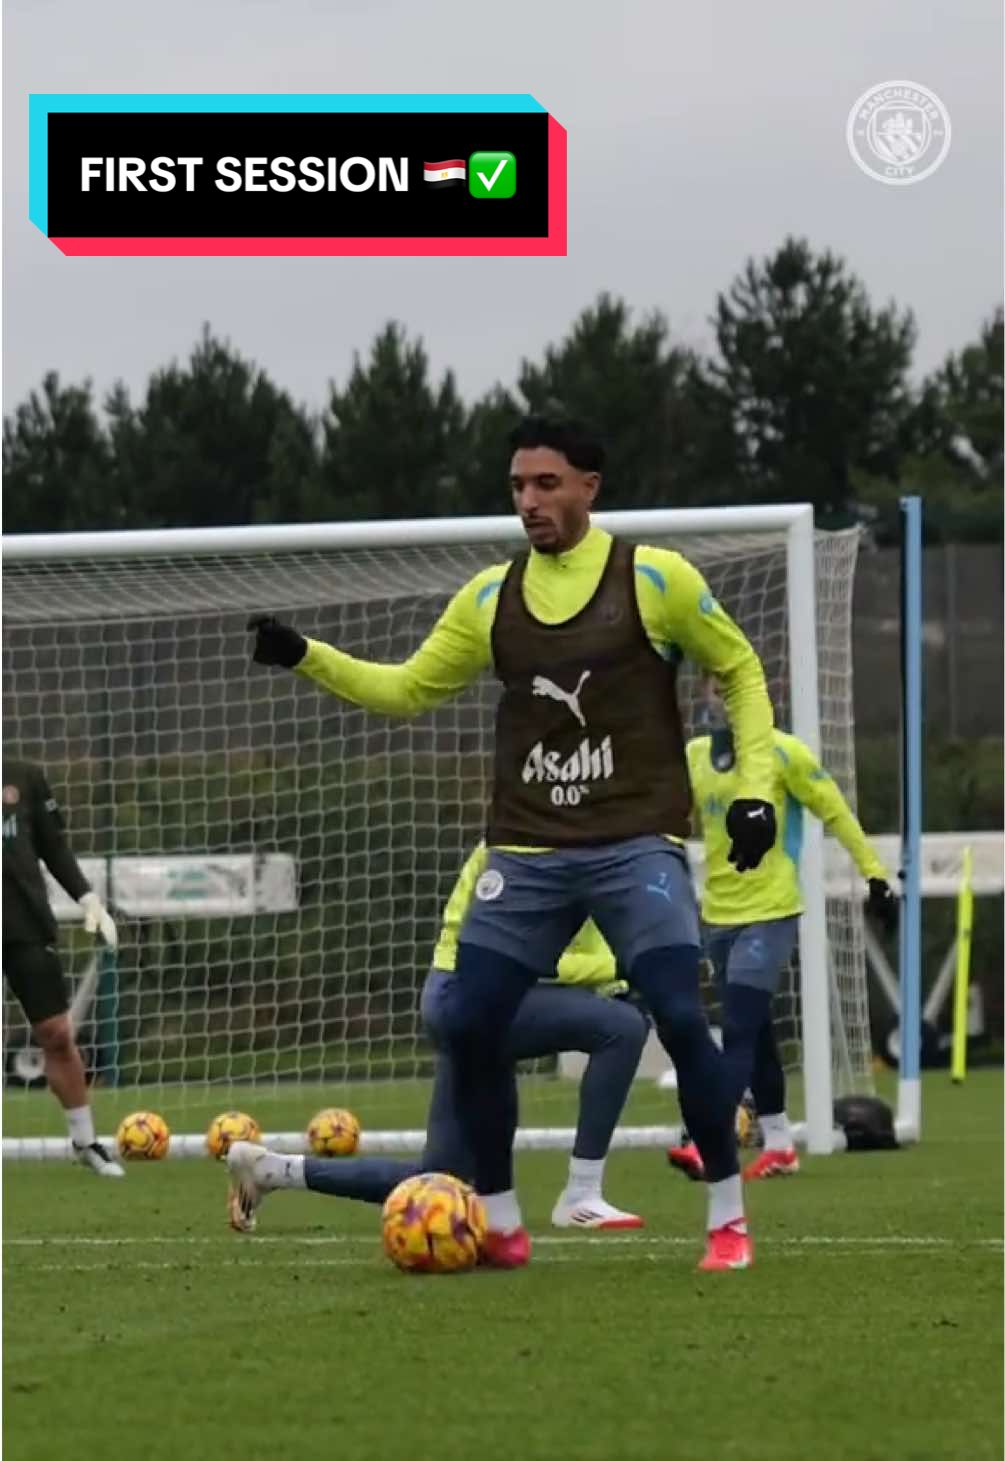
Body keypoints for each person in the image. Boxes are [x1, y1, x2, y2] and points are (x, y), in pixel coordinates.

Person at [248, 416, 778, 1272]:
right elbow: (408, 688)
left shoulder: (653, 579)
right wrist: (307, 654)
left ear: (587, 487)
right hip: (527, 851)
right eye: (517, 488)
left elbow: (743, 670)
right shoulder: (492, 596)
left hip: (633, 841)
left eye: (545, 485)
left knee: (679, 1014)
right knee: (466, 1020)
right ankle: (498, 1219)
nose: (528, 502)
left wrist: (753, 793)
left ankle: (726, 1215)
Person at [226, 842, 650, 1234]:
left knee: (442, 1177)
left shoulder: (570, 841)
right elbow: (524, 958)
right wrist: (622, 972)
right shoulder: (527, 848)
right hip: (465, 998)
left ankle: (272, 1171)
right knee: (622, 1029)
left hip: (480, 1003)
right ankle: (581, 1193)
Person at [668, 679, 897, 1182]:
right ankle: (779, 1144)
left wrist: (875, 874)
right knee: (758, 1033)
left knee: (739, 1029)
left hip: (771, 911)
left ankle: (709, 1142)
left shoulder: (783, 753)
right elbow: (664, 816)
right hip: (718, 916)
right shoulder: (695, 757)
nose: (722, 701)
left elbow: (834, 809)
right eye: (715, 691)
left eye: (733, 692)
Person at [2, 757, 123, 1177]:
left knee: (56, 1033)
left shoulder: (22, 777)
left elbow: (53, 848)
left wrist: (87, 898)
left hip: (25, 926)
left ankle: (86, 1141)